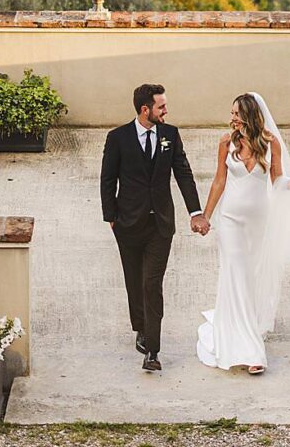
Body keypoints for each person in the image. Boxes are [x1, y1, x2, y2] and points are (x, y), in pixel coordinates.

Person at [195, 92, 290, 375]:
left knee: (250, 279)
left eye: (237, 114)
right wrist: (205, 215)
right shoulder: (226, 143)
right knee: (237, 275)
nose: (232, 119)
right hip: (230, 220)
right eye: (231, 113)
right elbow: (219, 180)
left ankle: (238, 328)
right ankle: (252, 351)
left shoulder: (269, 143)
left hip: (258, 223)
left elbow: (277, 181)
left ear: (250, 115)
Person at [100, 82, 208, 373]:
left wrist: (195, 211)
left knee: (151, 283)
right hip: (128, 223)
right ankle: (141, 327)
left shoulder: (170, 135)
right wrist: (111, 216)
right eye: (161, 106)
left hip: (160, 224)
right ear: (145, 109)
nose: (166, 110)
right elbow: (108, 179)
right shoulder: (118, 138)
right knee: (134, 281)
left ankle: (152, 350)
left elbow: (183, 173)